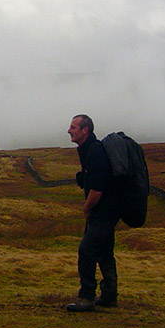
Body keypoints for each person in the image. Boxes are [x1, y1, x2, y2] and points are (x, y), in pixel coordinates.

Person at [66, 114, 120, 312]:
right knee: (105, 252)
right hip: (108, 210)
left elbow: (97, 189)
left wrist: (87, 208)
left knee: (86, 250)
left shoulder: (95, 152)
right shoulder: (90, 150)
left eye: (73, 127)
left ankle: (86, 297)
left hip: (104, 211)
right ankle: (109, 296)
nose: (69, 131)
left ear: (85, 130)